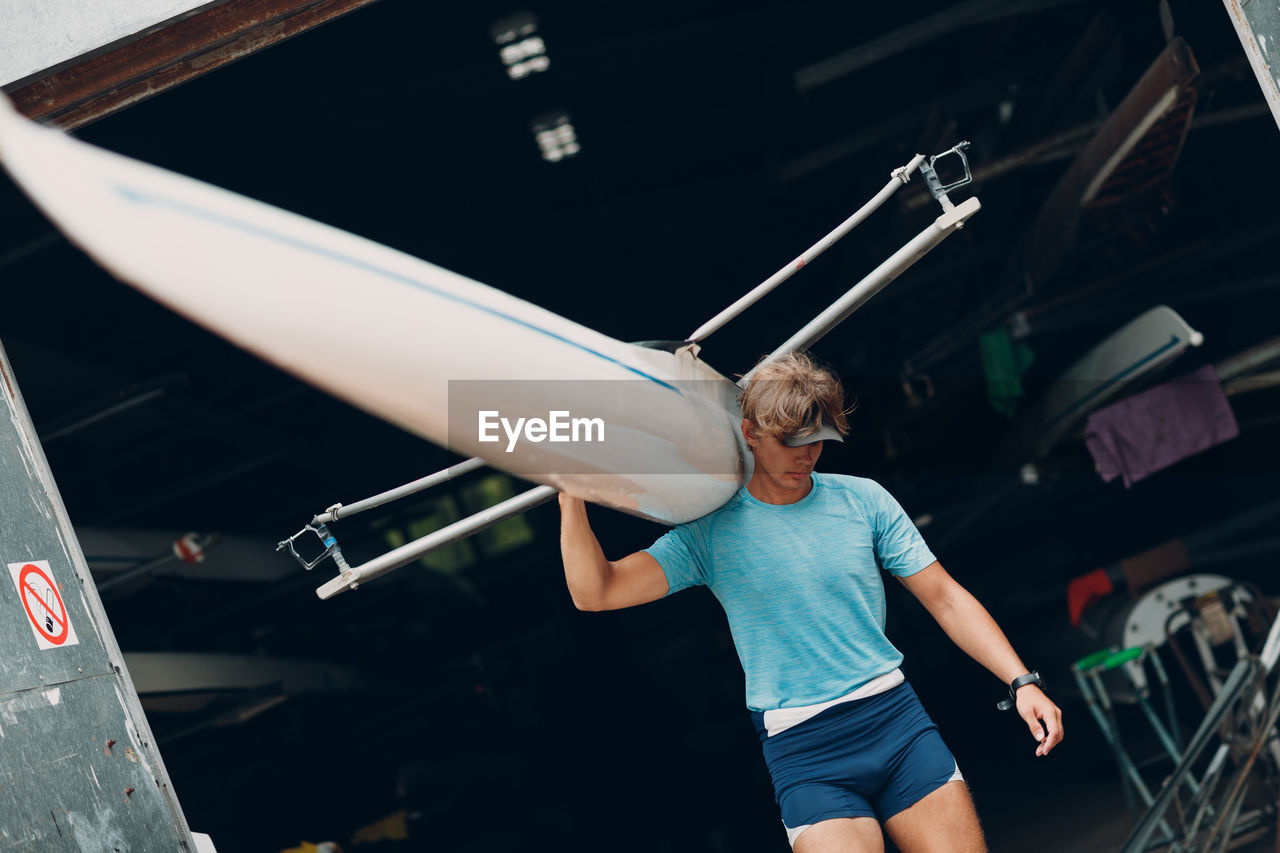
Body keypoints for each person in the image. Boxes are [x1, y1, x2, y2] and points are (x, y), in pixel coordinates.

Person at [558, 352, 1063, 852]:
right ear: (750, 433)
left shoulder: (864, 501)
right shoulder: (709, 534)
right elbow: (595, 591)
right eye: (790, 442)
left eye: (818, 440)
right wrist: (570, 497)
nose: (807, 455)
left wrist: (1021, 681)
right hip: (806, 753)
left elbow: (946, 598)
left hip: (898, 725)